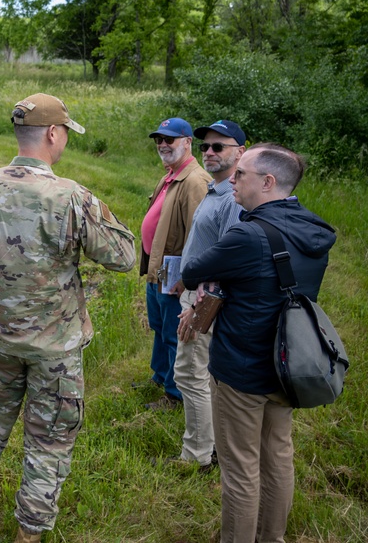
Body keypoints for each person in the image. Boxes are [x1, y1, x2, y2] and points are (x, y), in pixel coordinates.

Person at [0, 93, 136, 543]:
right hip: (57, 349)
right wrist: (93, 211)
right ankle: (28, 535)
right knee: (48, 442)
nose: (64, 140)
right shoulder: (70, 196)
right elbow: (124, 256)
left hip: (2, 339)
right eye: (65, 132)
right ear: (52, 133)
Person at [183, 143, 336, 543]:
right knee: (278, 457)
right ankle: (273, 537)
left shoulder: (249, 234)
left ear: (268, 182)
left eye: (241, 174)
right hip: (289, 364)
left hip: (242, 369)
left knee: (240, 469)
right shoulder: (314, 229)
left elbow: (193, 268)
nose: (232, 180)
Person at [163, 120, 246, 472]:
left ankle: (197, 456)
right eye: (205, 147)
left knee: (189, 374)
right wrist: (184, 278)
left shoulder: (234, 199)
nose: (209, 152)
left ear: (241, 151)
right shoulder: (216, 190)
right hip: (193, 290)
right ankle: (208, 446)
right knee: (198, 374)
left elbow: (230, 259)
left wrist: (198, 306)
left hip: (205, 300)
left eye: (219, 146)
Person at [138, 117, 211, 410]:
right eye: (159, 140)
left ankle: (175, 394)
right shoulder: (171, 174)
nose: (163, 145)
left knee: (173, 333)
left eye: (169, 139)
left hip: (176, 275)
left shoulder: (195, 180)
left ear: (187, 142)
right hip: (159, 271)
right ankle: (160, 376)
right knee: (159, 326)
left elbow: (201, 234)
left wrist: (188, 278)